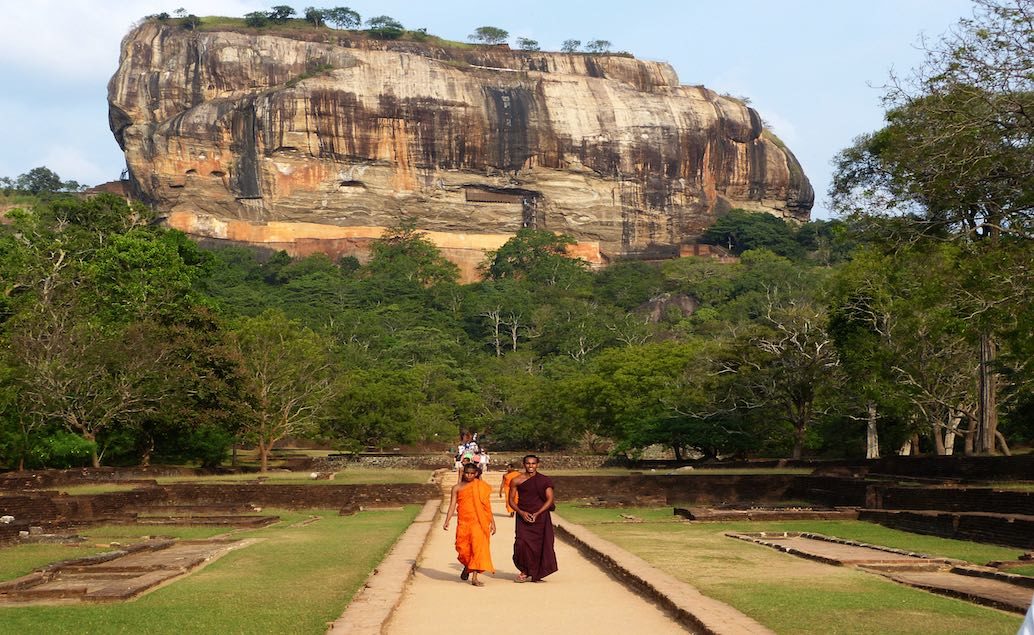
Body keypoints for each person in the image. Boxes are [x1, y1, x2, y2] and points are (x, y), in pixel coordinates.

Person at [442, 462, 495, 587]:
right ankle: (467, 566)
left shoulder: (481, 486)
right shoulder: (457, 488)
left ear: (476, 474)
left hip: (479, 522)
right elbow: (452, 505)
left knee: (478, 548)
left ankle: (475, 577)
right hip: (464, 522)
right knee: (463, 549)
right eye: (467, 473)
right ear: (463, 472)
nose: (469, 475)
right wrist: (447, 520)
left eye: (472, 473)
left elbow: (486, 507)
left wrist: (492, 522)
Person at [508, 454, 558, 582]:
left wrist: (537, 513)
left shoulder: (544, 480)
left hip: (540, 516)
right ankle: (524, 570)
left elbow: (550, 499)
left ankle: (536, 572)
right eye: (528, 463)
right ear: (524, 464)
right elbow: (511, 501)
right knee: (521, 543)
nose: (531, 466)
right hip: (522, 516)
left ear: (537, 464)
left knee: (540, 545)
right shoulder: (516, 480)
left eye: (533, 463)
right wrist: (521, 512)